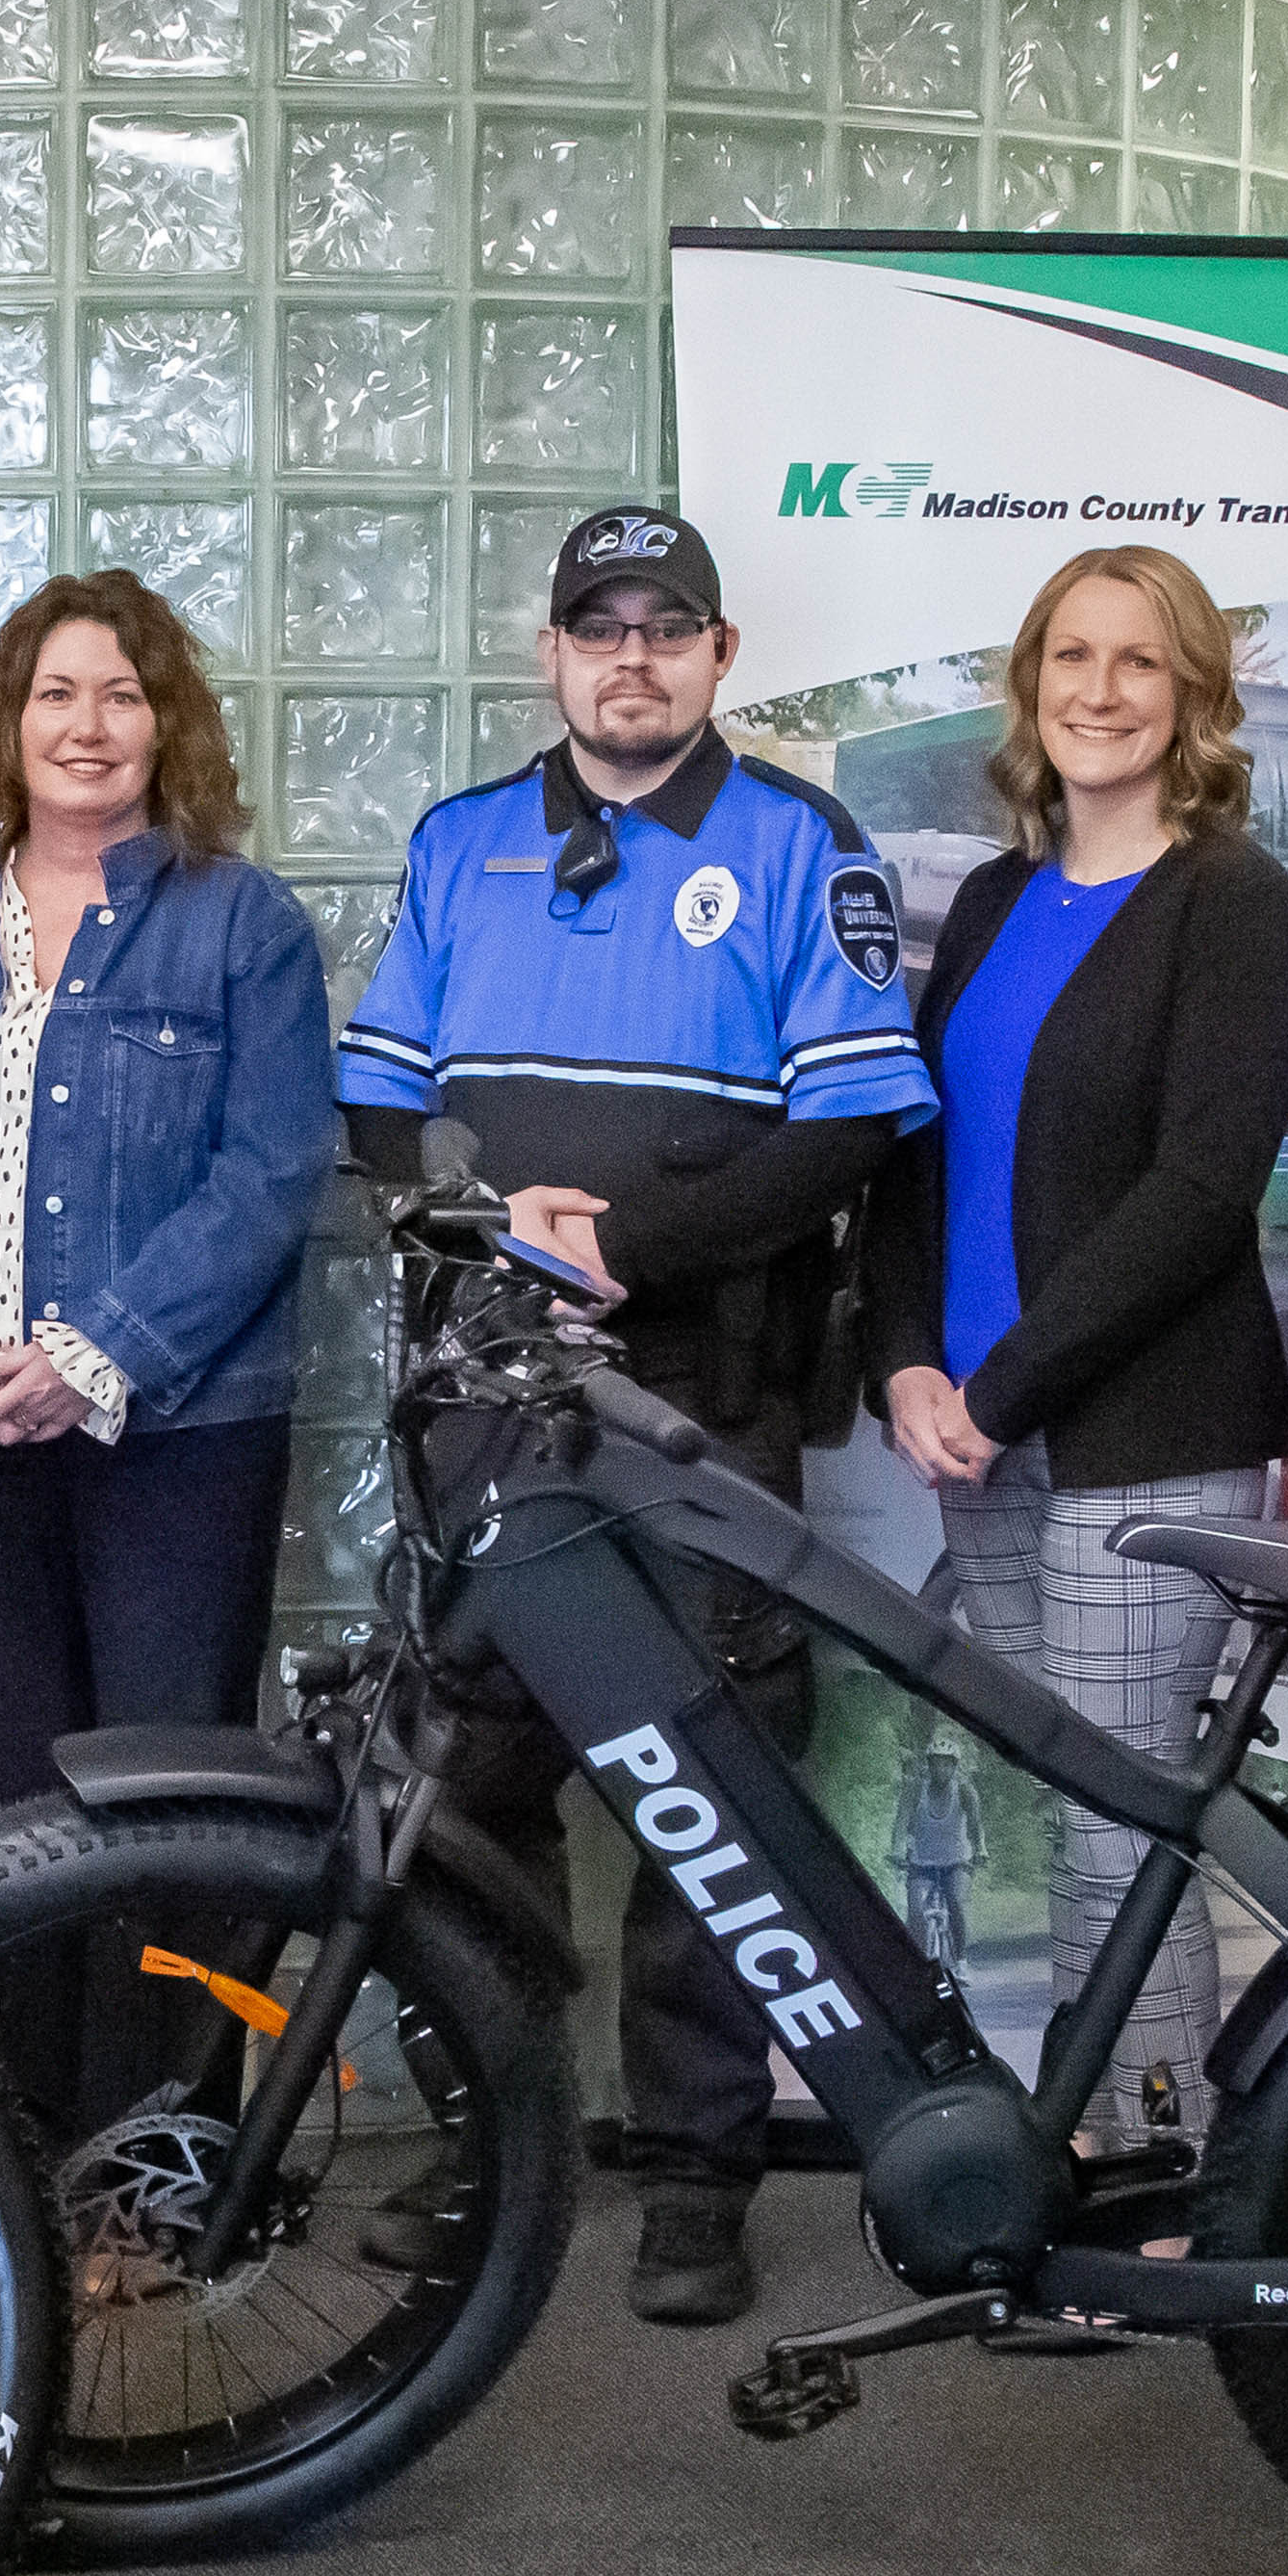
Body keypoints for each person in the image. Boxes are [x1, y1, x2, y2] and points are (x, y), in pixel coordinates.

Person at [338, 504, 936, 2328]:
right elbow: (375, 1094)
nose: (632, 658)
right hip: (487, 1395)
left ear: (719, 658)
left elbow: (845, 1121)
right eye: (599, 628)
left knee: (703, 1785)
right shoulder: (463, 846)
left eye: (668, 628)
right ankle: (494, 2139)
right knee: (467, 1774)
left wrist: (628, 1244)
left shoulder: (795, 847)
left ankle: (696, 2174)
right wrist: (480, 1210)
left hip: (699, 1395)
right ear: (554, 653)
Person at [0, 571, 334, 2144]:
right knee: (21, 1821)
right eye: (55, 694)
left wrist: (102, 1349)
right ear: (8, 725)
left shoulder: (242, 925)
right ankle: (34, 2151)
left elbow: (273, 1169)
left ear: (164, 725)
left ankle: (169, 2160)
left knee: (169, 1813)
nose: (86, 724)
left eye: (120, 693)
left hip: (179, 1440)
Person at [863, 545, 1288, 2142]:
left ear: (1192, 693)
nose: (1102, 692)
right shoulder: (993, 898)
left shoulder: (1237, 903)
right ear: (1031, 684)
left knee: (1125, 1837)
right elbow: (915, 1153)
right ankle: (1096, 2161)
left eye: (1140, 661)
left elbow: (1201, 1195)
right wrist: (909, 1364)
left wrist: (999, 1389)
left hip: (1143, 1431)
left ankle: (1154, 2173)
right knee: (1071, 1818)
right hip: (978, 1433)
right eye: (1073, 655)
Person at [893, 1730, 985, 1970]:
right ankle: (918, 1963)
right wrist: (896, 1850)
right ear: (929, 1765)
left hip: (957, 1861)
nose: (940, 1770)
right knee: (915, 1911)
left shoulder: (965, 1791)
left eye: (946, 1764)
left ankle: (962, 1960)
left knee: (955, 1901)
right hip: (922, 1862)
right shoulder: (915, 1789)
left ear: (954, 1766)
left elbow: (975, 1826)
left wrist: (980, 1849)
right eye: (935, 1764)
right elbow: (901, 1822)